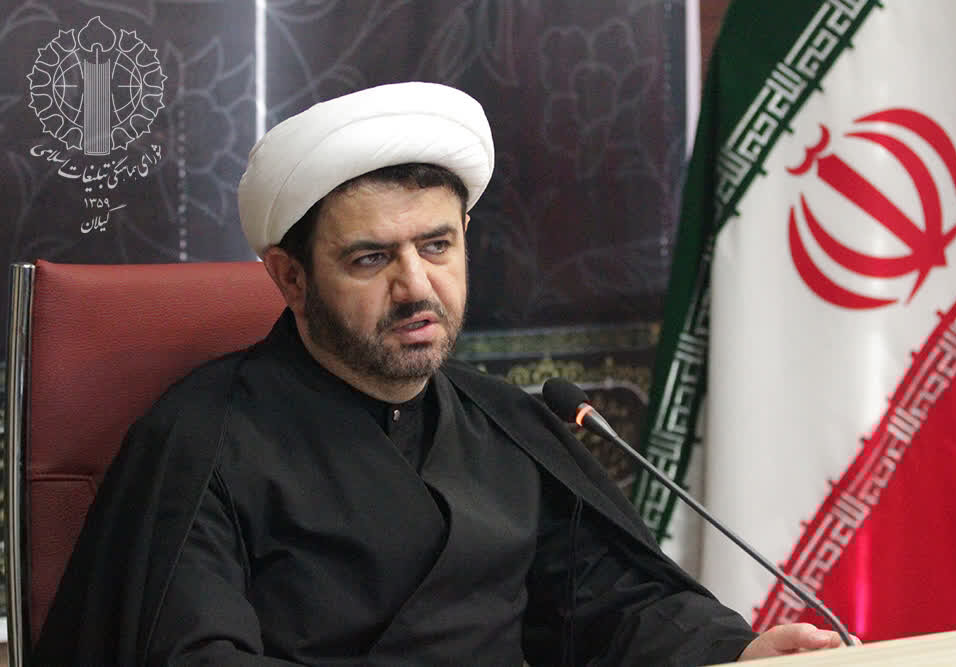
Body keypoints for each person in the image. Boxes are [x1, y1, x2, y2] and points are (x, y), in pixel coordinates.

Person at [35, 82, 850, 665]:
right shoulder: (202, 442)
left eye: (436, 245)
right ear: (290, 277)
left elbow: (614, 608)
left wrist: (736, 650)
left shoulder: (508, 425)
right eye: (370, 258)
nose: (416, 286)